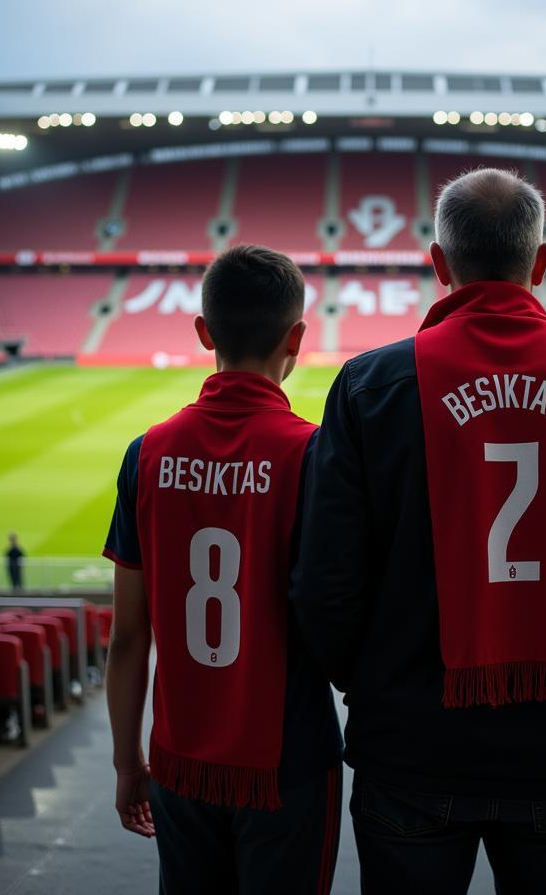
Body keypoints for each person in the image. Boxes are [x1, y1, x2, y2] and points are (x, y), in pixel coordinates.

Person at [293, 168, 546, 895]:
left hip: (411, 748)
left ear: (438, 264)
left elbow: (322, 585)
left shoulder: (369, 385)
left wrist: (377, 685)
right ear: (541, 263)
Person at [103, 245, 343, 895]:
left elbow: (128, 636)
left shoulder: (145, 454)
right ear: (297, 337)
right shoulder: (316, 454)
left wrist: (128, 763)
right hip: (287, 762)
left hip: (180, 760)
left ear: (203, 333)